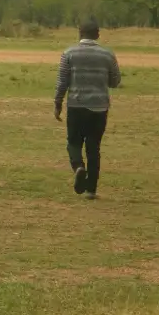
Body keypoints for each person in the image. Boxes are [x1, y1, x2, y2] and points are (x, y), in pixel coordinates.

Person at [56, 20, 121, 199]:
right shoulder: (108, 55)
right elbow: (115, 81)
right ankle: (91, 190)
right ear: (97, 34)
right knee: (94, 147)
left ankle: (78, 167)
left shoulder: (68, 53)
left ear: (79, 34)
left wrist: (57, 103)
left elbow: (62, 82)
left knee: (74, 143)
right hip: (99, 107)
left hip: (76, 106)